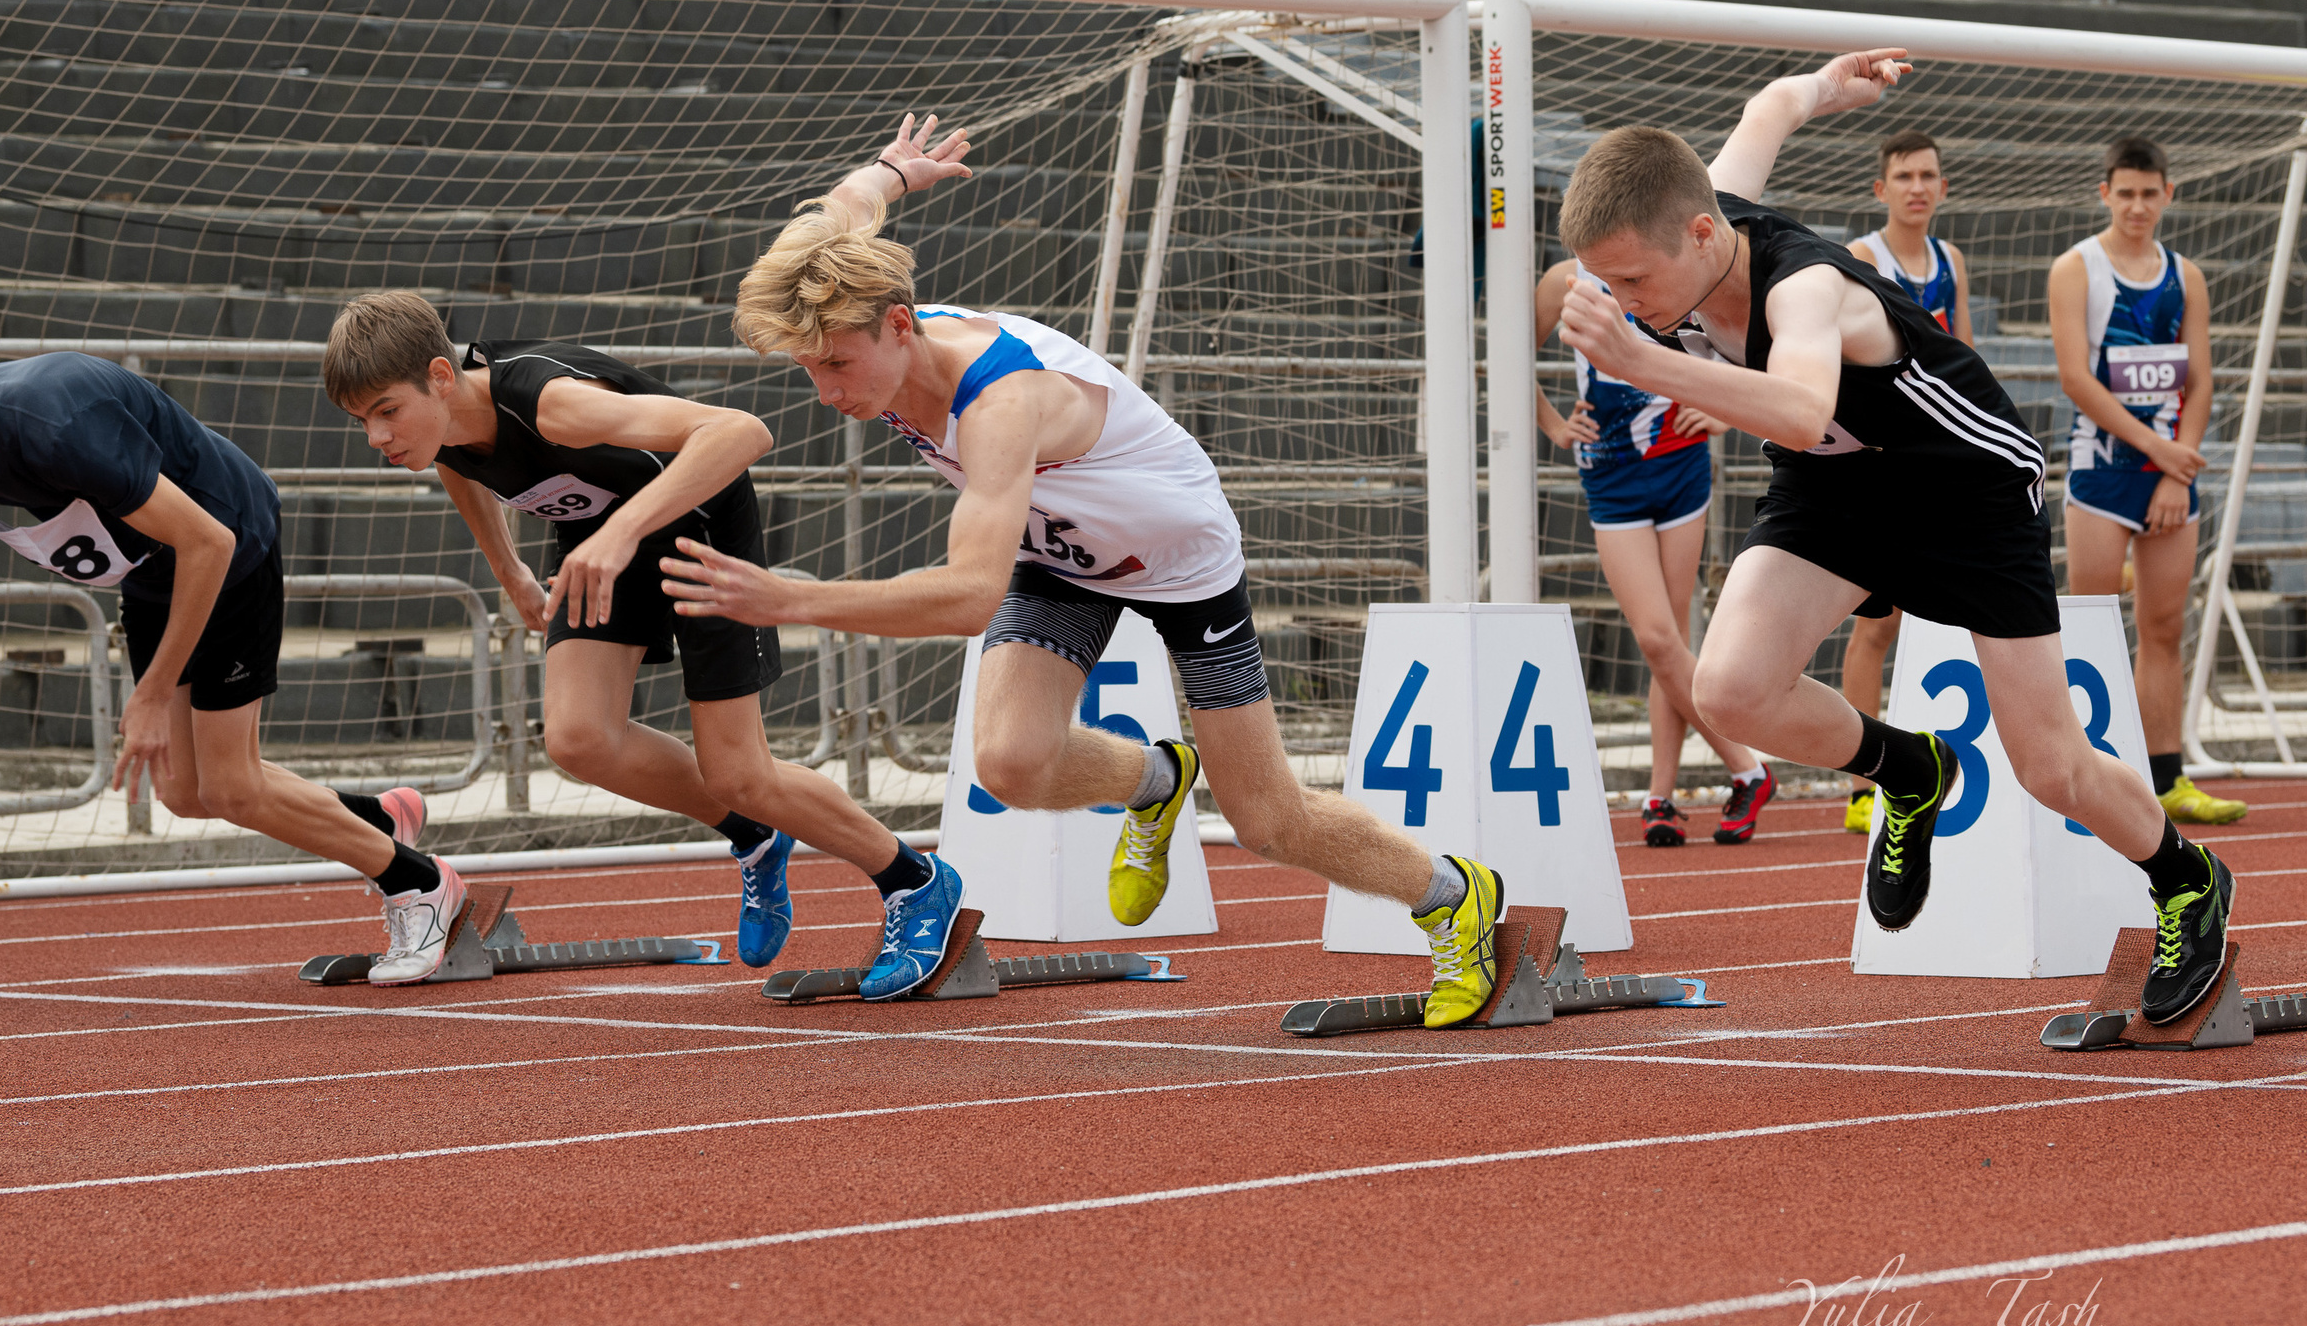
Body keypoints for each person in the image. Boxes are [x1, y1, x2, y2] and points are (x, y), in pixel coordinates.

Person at [663, 115, 1505, 1025]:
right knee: (1010, 766)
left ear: (900, 324)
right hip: (1060, 554)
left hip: (1179, 561)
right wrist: (890, 171)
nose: (827, 392)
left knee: (1267, 820)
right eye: (807, 370)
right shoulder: (846, 296)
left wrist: (787, 596)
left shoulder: (1001, 400)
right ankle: (1153, 779)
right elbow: (844, 209)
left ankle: (1453, 894)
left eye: (835, 363)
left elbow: (965, 597)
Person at [1553, 52, 2236, 1028]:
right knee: (1730, 688)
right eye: (1608, 283)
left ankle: (2184, 879)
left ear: (1704, 233)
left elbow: (1794, 407)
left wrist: (1646, 364)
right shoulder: (1702, 214)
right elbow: (1770, 105)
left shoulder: (1806, 292)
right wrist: (1832, 84)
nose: (1622, 299)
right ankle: (1906, 768)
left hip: (1966, 490)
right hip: (1840, 483)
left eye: (1631, 278)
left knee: (2050, 768)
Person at [322, 291, 949, 978]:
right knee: (579, 738)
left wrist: (621, 531)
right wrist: (513, 574)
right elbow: (460, 462)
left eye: (387, 412)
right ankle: (754, 834)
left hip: (696, 526)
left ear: (441, 377)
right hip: (601, 538)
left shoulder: (555, 402)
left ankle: (914, 879)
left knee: (739, 770)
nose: (377, 437)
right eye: (360, 421)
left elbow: (741, 432)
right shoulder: (444, 422)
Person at [0, 330, 467, 984]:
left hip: (227, 547)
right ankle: (377, 817)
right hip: (152, 571)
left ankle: (420, 883)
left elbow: (208, 542)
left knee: (230, 785)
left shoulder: (56, 427)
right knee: (185, 792)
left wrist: (154, 691)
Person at [1532, 260, 1772, 846]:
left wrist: (1722, 413)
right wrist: (1554, 425)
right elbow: (1511, 355)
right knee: (1659, 640)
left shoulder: (1673, 269)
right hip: (1612, 476)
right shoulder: (1565, 280)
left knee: (1672, 644)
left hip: (1681, 466)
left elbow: (1750, 351)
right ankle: (1748, 768)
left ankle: (1660, 798)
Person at [2050, 137, 2245, 825]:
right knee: (2093, 625)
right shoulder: (2076, 269)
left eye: (2148, 192)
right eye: (2124, 192)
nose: (2137, 204)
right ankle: (2087, 778)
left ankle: (2167, 777)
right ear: (2105, 193)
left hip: (2170, 478)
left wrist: (2175, 465)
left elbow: (2201, 377)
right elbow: (2076, 377)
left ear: (2169, 194)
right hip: (2103, 472)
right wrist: (2159, 452)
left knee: (2163, 627)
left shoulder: (2185, 276)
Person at [1838, 129, 1977, 834]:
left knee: (1943, 616)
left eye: (1928, 175)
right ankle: (1865, 786)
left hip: (1937, 464)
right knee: (1877, 626)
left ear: (1942, 187)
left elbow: (1962, 355)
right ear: (1881, 188)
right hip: (1880, 464)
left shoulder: (1951, 259)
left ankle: (1933, 765)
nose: (1917, 186)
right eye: (1904, 176)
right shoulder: (1864, 257)